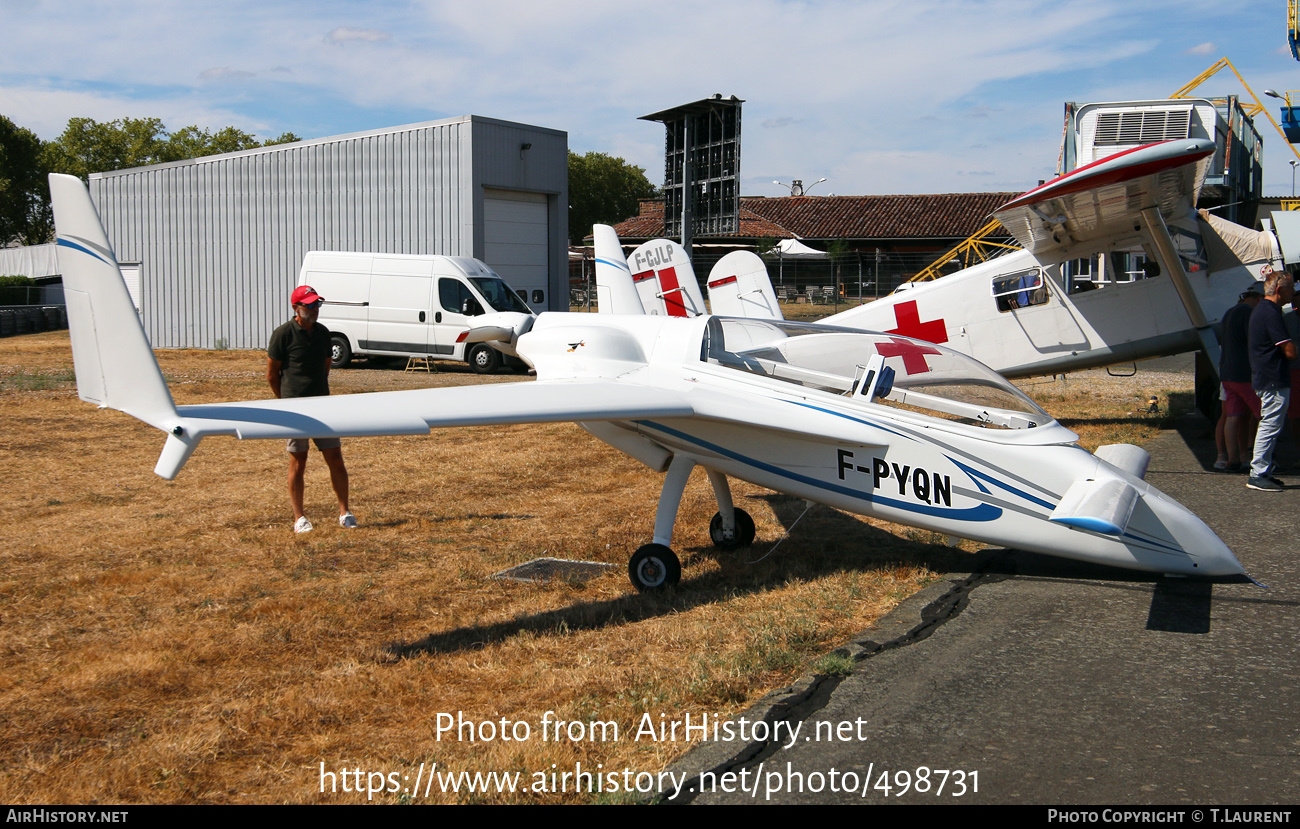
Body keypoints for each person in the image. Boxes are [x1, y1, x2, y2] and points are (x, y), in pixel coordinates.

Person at [267, 285, 356, 531]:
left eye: (317, 305)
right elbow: (272, 374)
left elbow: (326, 365)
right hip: (295, 408)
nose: (315, 309)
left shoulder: (324, 333)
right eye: (309, 305)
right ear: (296, 308)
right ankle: (299, 518)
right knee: (298, 460)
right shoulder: (282, 334)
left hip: (323, 406)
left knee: (335, 458)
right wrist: (286, 400)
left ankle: (345, 512)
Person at [1246, 271, 1297, 492]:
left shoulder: (1262, 310)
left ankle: (1263, 471)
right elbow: (1289, 350)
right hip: (1273, 378)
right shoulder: (1271, 313)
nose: (1293, 292)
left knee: (1270, 424)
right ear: (1279, 290)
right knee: (1270, 425)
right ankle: (1258, 473)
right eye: (1291, 288)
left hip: (1265, 376)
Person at [1216, 284, 1263, 471]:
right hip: (1244, 374)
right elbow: (1253, 341)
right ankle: (1262, 457)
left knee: (1232, 416)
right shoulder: (1247, 313)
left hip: (1227, 373)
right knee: (1263, 415)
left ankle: (1232, 459)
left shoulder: (1229, 312)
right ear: (1259, 298)